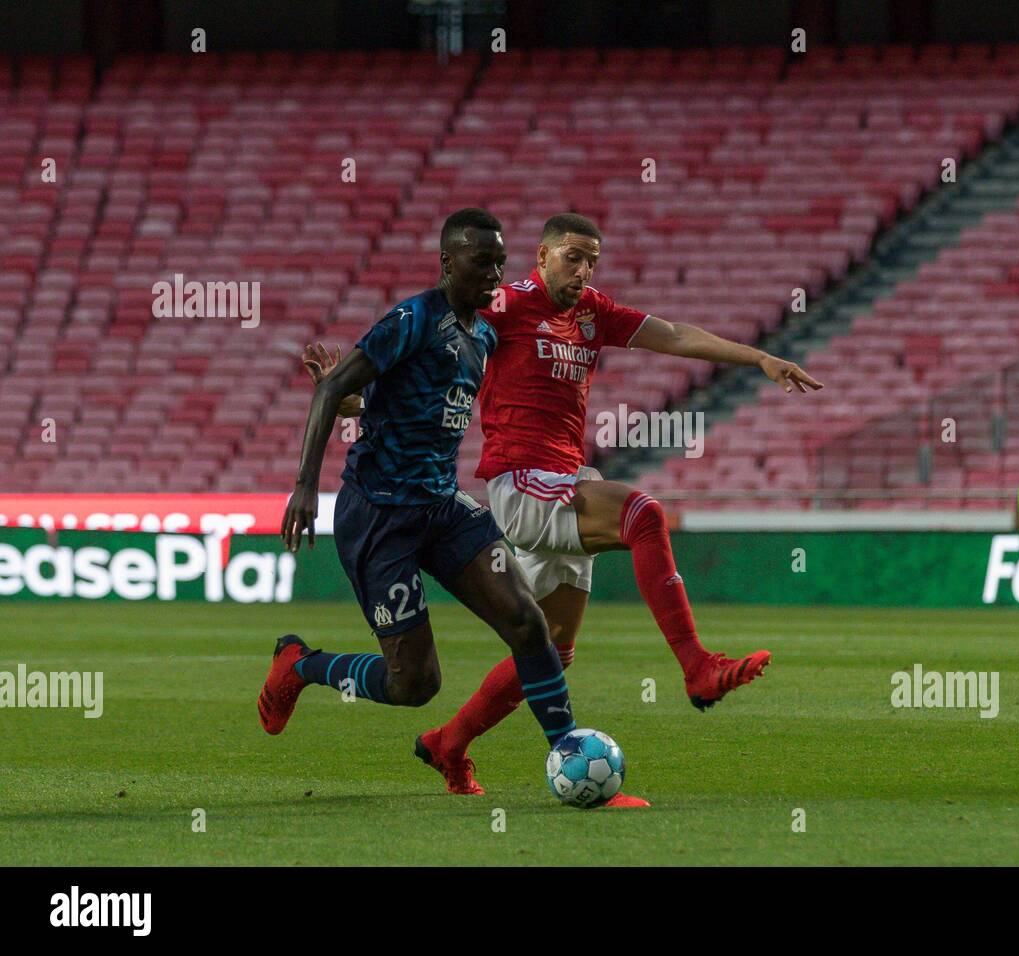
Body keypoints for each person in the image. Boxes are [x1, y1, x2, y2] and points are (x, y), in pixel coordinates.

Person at [305, 212, 823, 800]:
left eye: (592, 261)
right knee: (643, 515)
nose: (583, 270)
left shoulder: (591, 312)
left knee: (551, 646)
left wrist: (758, 358)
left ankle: (449, 742)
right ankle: (697, 666)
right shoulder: (506, 302)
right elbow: (431, 348)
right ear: (543, 255)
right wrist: (351, 397)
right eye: (573, 257)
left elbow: (674, 334)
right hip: (521, 481)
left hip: (565, 479)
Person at [260, 208, 584, 767]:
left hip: (441, 506)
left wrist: (357, 403)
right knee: (415, 684)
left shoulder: (482, 335)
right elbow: (333, 386)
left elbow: (395, 402)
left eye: (500, 264)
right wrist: (305, 486)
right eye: (481, 262)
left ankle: (569, 750)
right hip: (380, 514)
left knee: (528, 623)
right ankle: (299, 664)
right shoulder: (413, 318)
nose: (493, 275)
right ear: (447, 262)